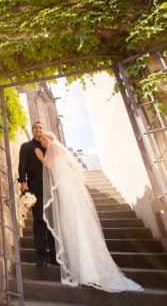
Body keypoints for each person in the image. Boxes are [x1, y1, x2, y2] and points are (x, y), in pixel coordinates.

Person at [35, 131, 143, 292]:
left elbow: (49, 164)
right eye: (40, 140)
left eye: (44, 138)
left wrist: (39, 156)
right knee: (76, 223)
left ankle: (86, 272)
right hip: (68, 185)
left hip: (66, 187)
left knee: (73, 223)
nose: (42, 142)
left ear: (50, 138)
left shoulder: (52, 145)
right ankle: (88, 270)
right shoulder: (58, 147)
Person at [18, 121, 57, 266]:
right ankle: (41, 256)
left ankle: (54, 255)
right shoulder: (26, 146)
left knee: (52, 221)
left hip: (52, 186)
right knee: (39, 220)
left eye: (41, 127)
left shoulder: (50, 145)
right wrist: (23, 183)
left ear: (44, 130)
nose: (38, 129)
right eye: (35, 127)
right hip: (36, 185)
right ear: (32, 130)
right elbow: (22, 165)